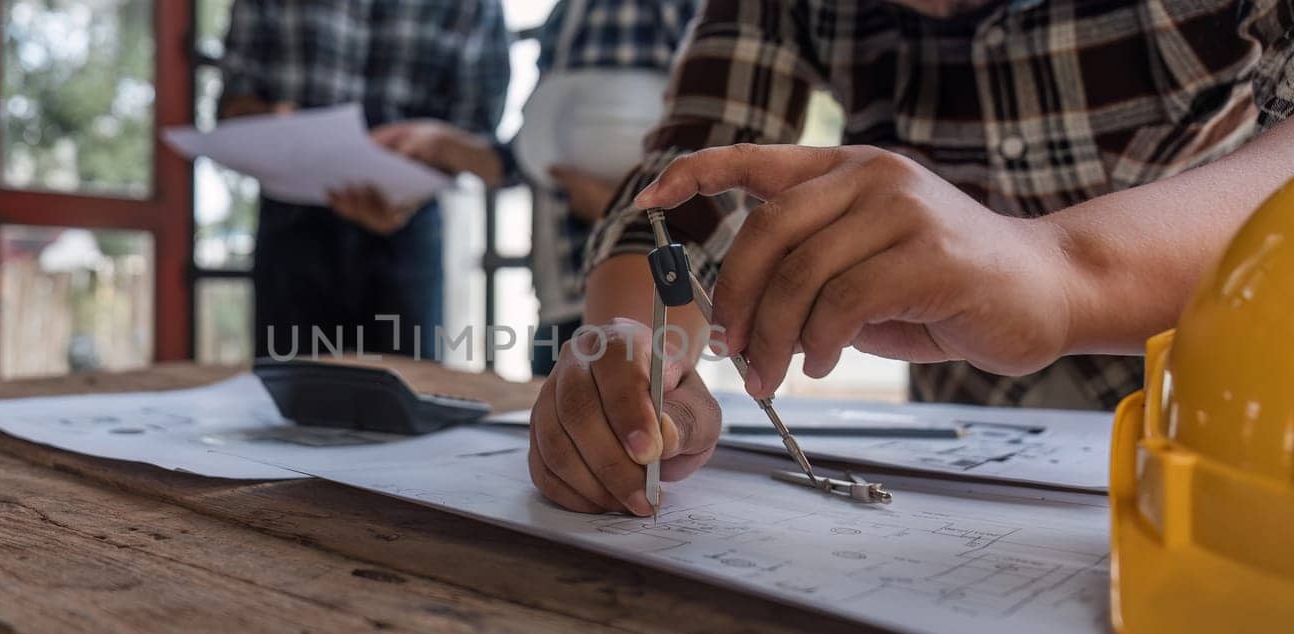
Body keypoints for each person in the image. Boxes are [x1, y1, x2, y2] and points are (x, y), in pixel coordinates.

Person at [526, 0, 1294, 516]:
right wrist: (633, 367)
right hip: (965, 474)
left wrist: (1060, 271)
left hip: (1246, 437)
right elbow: (688, 187)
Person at [368, 0, 700, 375]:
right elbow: (535, 157)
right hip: (560, 303)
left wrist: (633, 213)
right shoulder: (566, 14)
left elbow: (721, 152)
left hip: (653, 306)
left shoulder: (680, 8)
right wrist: (439, 144)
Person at [217, 0, 510, 359]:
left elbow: (477, 128)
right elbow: (234, 97)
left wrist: (430, 160)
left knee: (405, 391)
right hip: (291, 225)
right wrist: (270, 119)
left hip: (407, 222)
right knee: (290, 393)